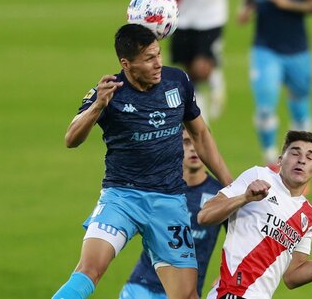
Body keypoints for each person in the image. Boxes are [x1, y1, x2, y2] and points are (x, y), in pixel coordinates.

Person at [52, 24, 232, 299]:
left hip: (169, 202)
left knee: (185, 294)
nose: (158, 63)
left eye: (158, 54)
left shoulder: (178, 82)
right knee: (88, 270)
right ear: (126, 64)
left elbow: (200, 134)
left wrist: (230, 186)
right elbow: (71, 138)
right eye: (149, 59)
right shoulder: (109, 92)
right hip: (122, 197)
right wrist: (98, 106)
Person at [198, 130, 312, 299]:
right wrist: (245, 198)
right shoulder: (260, 176)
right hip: (233, 293)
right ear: (280, 159)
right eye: (295, 153)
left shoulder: (307, 215)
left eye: (309, 157)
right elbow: (204, 215)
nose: (301, 160)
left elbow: (292, 277)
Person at [119, 127, 227, 299]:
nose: (193, 148)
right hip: (142, 286)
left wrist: (226, 276)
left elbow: (240, 239)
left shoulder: (220, 193)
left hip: (185, 293)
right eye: (185, 142)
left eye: (197, 142)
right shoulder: (161, 186)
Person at [237, 0, 312, 169]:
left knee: (300, 108)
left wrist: (286, 3)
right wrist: (245, 9)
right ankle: (270, 160)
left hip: (297, 51)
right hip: (265, 50)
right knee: (265, 107)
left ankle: (303, 163)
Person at [167, 0, 228, 122]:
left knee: (200, 68)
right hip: (181, 16)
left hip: (210, 17)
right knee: (188, 74)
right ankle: (200, 115)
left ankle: (214, 78)